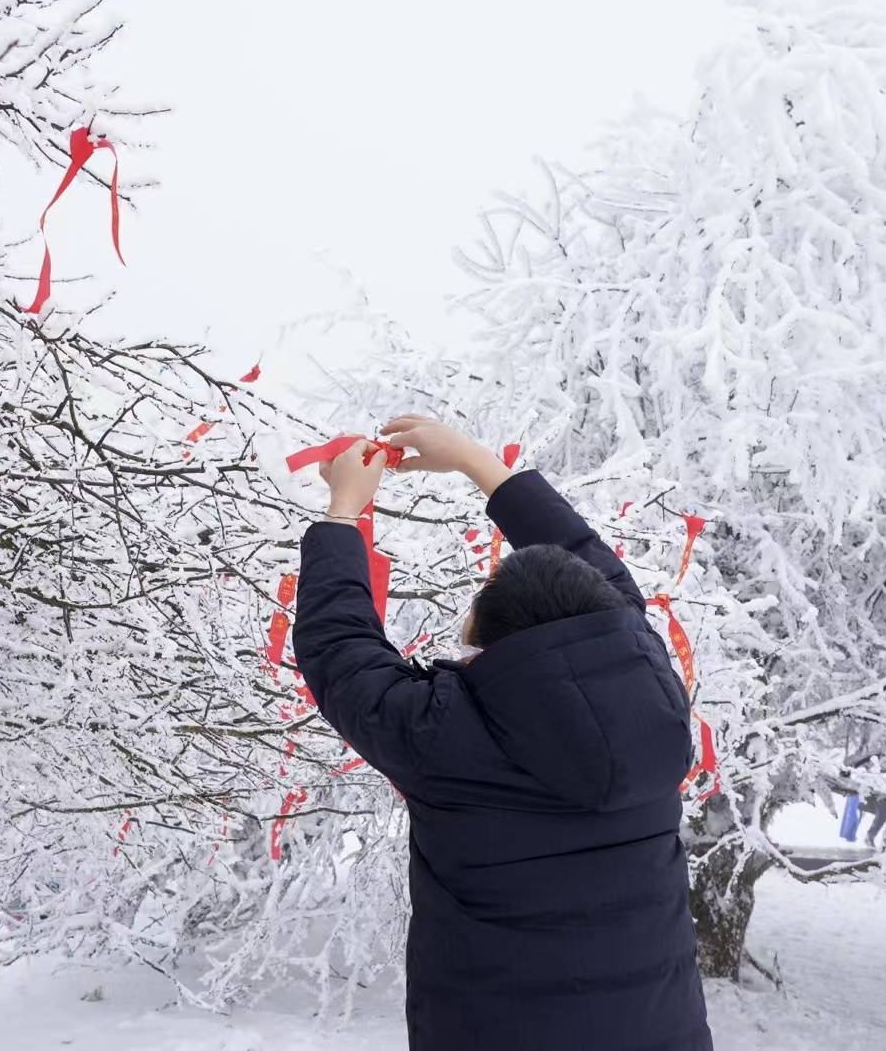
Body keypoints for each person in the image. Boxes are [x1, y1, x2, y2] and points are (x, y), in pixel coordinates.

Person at [294, 416, 712, 1051]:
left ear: (480, 631)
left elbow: (338, 646)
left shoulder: (446, 734)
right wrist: (476, 462)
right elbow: (600, 581)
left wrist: (343, 508)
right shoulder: (653, 691)